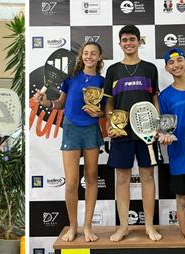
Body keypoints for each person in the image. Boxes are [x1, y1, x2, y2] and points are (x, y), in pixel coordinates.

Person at [34, 41, 105, 242]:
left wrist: (99, 113)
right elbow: (59, 104)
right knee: (72, 182)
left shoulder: (102, 81)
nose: (89, 56)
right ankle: (73, 227)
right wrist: (45, 102)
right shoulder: (71, 78)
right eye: (86, 53)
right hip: (71, 130)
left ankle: (88, 226)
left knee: (91, 178)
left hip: (91, 130)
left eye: (93, 53)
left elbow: (105, 112)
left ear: (100, 57)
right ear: (81, 56)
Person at [104, 25, 161, 242]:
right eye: (125, 40)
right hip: (121, 135)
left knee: (147, 177)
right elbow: (108, 101)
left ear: (139, 42)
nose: (128, 43)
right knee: (122, 179)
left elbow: (154, 98)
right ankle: (123, 227)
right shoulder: (113, 71)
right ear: (120, 44)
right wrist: (112, 123)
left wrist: (157, 125)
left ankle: (149, 226)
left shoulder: (150, 68)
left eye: (132, 39)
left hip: (147, 133)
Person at [158, 48, 185, 237]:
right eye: (171, 63)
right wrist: (164, 136)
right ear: (167, 68)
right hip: (180, 156)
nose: (176, 65)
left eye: (180, 60)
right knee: (182, 199)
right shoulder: (165, 96)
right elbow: (163, 128)